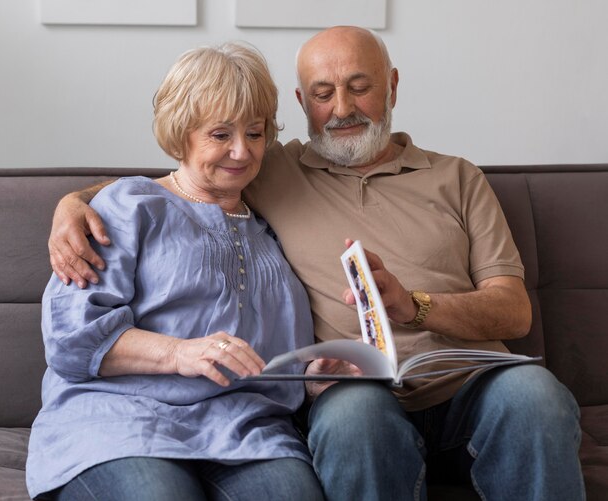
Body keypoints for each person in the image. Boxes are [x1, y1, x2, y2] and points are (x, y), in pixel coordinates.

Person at [47, 26, 585, 501]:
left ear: (392, 85)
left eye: (360, 85)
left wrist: (410, 310)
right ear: (304, 104)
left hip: (460, 384)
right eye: (324, 94)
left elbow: (514, 313)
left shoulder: (458, 177)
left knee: (535, 395)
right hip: (342, 396)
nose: (343, 108)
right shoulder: (269, 171)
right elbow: (181, 182)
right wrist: (73, 204)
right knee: (356, 418)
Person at [26, 42, 325, 501]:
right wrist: (179, 353)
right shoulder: (129, 207)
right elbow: (72, 336)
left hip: (245, 431)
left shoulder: (272, 230)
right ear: (181, 132)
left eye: (256, 133)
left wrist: (317, 374)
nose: (242, 152)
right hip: (122, 421)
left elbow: (279, 362)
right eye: (220, 135)